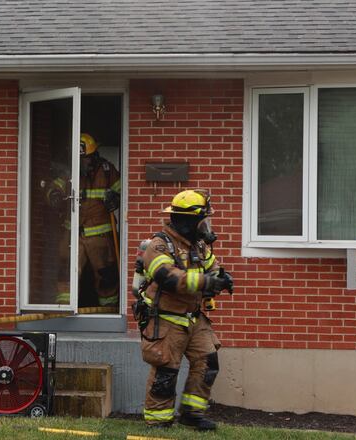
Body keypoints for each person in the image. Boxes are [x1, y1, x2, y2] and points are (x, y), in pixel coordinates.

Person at [133, 189, 233, 430]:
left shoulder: (196, 245)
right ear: (189, 221)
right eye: (202, 220)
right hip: (166, 320)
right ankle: (158, 422)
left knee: (208, 362)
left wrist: (222, 277)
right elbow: (167, 277)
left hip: (193, 319)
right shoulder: (159, 245)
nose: (206, 226)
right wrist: (206, 283)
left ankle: (192, 413)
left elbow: (213, 267)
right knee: (166, 371)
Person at [46, 133, 121, 307]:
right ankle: (64, 308)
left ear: (94, 157)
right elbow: (53, 188)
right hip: (72, 236)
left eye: (85, 159)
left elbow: (123, 191)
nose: (82, 164)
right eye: (78, 159)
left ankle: (108, 311)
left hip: (101, 238)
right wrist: (54, 196)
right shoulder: (68, 173)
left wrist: (115, 199)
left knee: (106, 276)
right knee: (66, 274)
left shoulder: (107, 172)